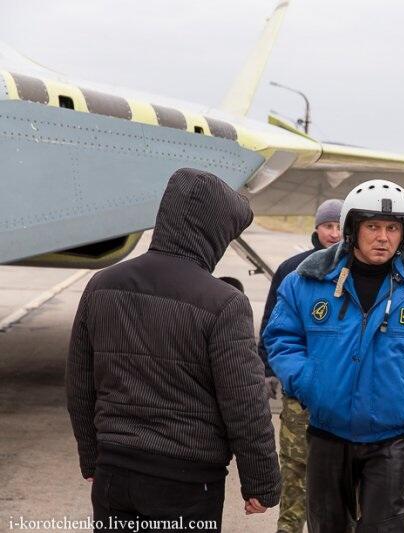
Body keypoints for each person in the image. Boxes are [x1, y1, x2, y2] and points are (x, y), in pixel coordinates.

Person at [67, 168, 281, 532]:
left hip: (114, 472)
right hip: (186, 481)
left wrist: (92, 457)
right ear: (213, 231)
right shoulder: (223, 302)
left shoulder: (102, 284)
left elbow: (80, 385)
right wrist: (261, 482)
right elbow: (244, 402)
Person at [266, 179, 404, 532]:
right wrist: (309, 383)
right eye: (374, 226)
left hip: (394, 440)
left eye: (393, 228)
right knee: (327, 526)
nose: (383, 237)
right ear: (353, 229)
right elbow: (282, 339)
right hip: (326, 433)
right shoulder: (307, 281)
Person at [257, 198, 342, 533]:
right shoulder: (293, 270)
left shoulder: (363, 270)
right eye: (327, 226)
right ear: (316, 228)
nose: (334, 234)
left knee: (339, 480)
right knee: (294, 471)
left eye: (339, 226)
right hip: (300, 392)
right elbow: (272, 326)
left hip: (342, 395)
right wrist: (269, 370)